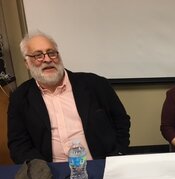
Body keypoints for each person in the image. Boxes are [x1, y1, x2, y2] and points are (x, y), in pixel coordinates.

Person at [8, 31, 131, 164]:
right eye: (38, 55)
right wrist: (39, 169)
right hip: (50, 171)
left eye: (52, 53)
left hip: (100, 164)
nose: (48, 59)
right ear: (27, 63)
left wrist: (118, 153)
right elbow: (18, 143)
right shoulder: (19, 97)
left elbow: (121, 121)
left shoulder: (96, 84)